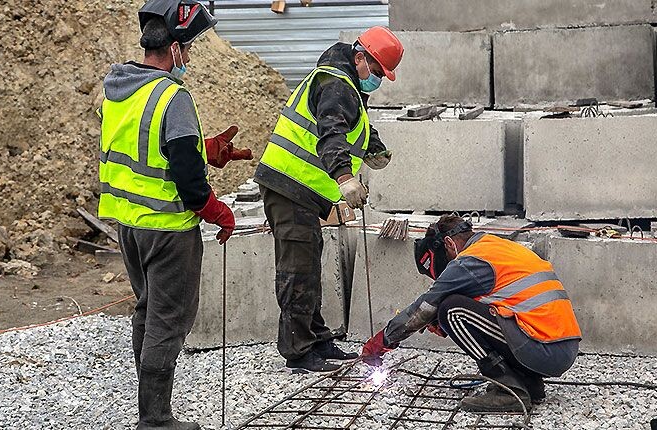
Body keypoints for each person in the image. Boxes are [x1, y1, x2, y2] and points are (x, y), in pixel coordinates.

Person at [98, 1, 251, 428]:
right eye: (191, 49)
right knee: (169, 319)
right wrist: (217, 211)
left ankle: (150, 410)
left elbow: (145, 143)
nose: (191, 58)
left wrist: (204, 148)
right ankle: (156, 420)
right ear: (177, 49)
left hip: (129, 224)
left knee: (148, 312)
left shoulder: (119, 87)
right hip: (168, 229)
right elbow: (186, 175)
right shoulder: (173, 94)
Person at [254, 26, 404, 372]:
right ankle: (299, 350)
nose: (378, 79)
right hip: (289, 185)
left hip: (300, 190)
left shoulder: (345, 84)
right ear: (360, 58)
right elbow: (331, 133)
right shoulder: (337, 84)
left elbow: (354, 122)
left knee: (308, 263)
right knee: (297, 268)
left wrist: (374, 147)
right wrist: (345, 178)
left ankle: (317, 339)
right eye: (378, 71)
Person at [361, 215, 582, 412]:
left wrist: (384, 340)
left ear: (448, 243)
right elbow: (500, 304)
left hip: (545, 350)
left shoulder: (470, 260)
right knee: (448, 310)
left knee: (451, 309)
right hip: (559, 346)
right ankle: (528, 382)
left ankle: (508, 390)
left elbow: (424, 307)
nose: (447, 272)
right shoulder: (495, 247)